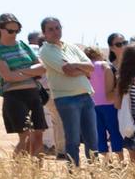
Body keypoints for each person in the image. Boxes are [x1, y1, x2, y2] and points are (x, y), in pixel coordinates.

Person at [36, 17, 97, 168]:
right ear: (44, 33)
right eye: (51, 29)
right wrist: (82, 70)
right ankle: (74, 172)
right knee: (73, 139)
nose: (55, 32)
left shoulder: (71, 46)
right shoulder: (45, 51)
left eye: (57, 28)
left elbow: (91, 66)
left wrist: (76, 65)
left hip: (85, 96)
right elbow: (67, 70)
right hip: (66, 99)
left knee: (92, 139)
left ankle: (95, 173)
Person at [0, 13, 47, 159]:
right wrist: (30, 71)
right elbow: (7, 77)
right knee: (25, 137)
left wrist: (19, 72)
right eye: (10, 31)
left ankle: (36, 174)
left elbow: (42, 68)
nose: (14, 34)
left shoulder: (23, 45)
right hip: (14, 96)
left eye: (16, 31)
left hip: (34, 93)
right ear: (0, 28)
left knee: (38, 136)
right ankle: (18, 173)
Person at [85, 45, 124, 160]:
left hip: (93, 104)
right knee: (114, 132)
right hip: (109, 103)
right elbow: (111, 83)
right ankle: (120, 158)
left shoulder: (85, 68)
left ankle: (107, 161)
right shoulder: (103, 65)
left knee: (99, 133)